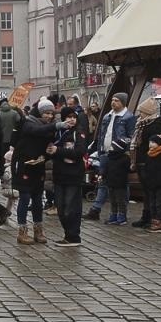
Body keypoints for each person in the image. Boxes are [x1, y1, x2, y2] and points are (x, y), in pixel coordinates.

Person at [88, 93, 136, 224]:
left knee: (121, 185)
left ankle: (122, 213)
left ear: (123, 102)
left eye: (117, 100)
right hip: (105, 153)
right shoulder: (107, 116)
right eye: (113, 100)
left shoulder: (128, 117)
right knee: (104, 181)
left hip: (119, 155)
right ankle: (106, 211)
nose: (113, 102)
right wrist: (99, 150)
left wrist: (121, 146)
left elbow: (131, 136)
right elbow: (102, 134)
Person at [12, 101, 56, 245]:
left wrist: (47, 154)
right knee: (25, 198)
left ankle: (38, 230)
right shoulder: (29, 122)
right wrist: (57, 125)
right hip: (24, 165)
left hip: (38, 166)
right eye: (46, 113)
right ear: (39, 112)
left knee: (38, 199)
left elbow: (49, 145)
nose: (49, 116)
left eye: (51, 113)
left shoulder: (48, 128)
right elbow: (35, 132)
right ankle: (22, 231)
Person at [47, 105, 90, 247]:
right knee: (60, 206)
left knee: (71, 207)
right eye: (68, 117)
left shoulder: (79, 132)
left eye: (73, 117)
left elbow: (79, 151)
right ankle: (67, 234)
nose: (71, 120)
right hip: (59, 174)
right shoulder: (58, 132)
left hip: (73, 174)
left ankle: (73, 236)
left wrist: (58, 151)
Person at [133, 98, 161, 232]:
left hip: (149, 161)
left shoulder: (157, 124)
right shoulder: (141, 124)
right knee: (146, 191)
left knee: (152, 192)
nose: (140, 115)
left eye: (142, 112)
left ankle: (153, 218)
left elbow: (154, 143)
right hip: (141, 159)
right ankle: (146, 216)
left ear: (148, 112)